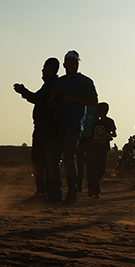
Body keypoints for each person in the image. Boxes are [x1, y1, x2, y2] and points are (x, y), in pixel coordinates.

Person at [46, 50, 97, 205]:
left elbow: (94, 101)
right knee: (52, 160)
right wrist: (54, 96)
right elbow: (49, 104)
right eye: (70, 62)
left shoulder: (85, 82)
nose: (73, 65)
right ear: (65, 64)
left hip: (74, 125)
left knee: (69, 159)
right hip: (58, 125)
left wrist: (73, 98)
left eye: (76, 63)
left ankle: (72, 193)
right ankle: (56, 194)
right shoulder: (59, 82)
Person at [14, 57, 60, 199]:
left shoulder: (51, 84)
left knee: (39, 160)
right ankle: (46, 191)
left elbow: (37, 98)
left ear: (49, 69)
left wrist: (23, 91)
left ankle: (42, 192)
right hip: (46, 127)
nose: (42, 71)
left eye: (44, 68)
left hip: (44, 127)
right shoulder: (52, 84)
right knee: (45, 160)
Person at [83, 102, 117, 197]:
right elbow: (90, 135)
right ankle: (94, 189)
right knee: (92, 169)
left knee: (101, 169)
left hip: (103, 148)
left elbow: (114, 134)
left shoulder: (109, 121)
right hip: (93, 148)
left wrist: (108, 136)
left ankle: (94, 186)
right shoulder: (94, 122)